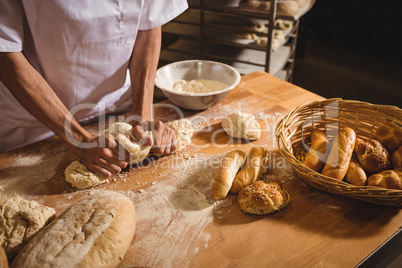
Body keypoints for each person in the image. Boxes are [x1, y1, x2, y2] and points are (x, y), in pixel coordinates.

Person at [0, 0, 188, 178]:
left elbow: (150, 24)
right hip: (35, 125)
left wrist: (143, 118)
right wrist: (78, 138)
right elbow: (6, 54)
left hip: (119, 111)